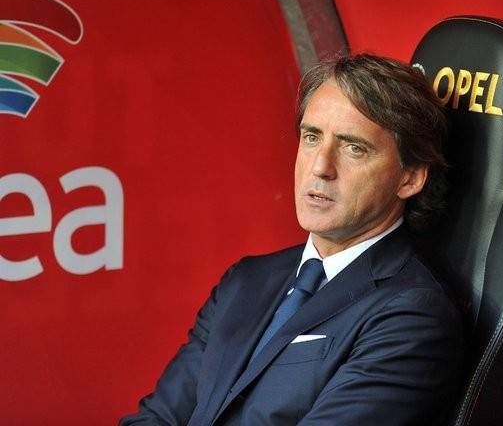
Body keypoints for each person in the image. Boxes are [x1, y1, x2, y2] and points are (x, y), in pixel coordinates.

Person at [121, 54, 463, 425]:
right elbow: (157, 417)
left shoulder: (413, 315)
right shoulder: (246, 280)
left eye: (354, 147)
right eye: (311, 137)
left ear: (410, 178)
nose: (320, 167)